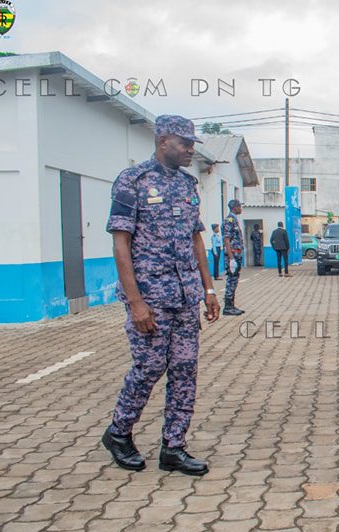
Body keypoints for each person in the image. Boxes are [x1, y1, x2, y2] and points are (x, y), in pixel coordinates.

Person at [102, 114, 218, 477]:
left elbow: (195, 238)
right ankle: (119, 433)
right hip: (150, 298)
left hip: (185, 298)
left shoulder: (187, 184)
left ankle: (174, 447)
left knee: (185, 371)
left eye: (191, 144)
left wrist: (208, 288)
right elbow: (121, 242)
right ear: (164, 140)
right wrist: (135, 301)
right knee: (149, 368)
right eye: (184, 144)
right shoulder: (132, 181)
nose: (189, 150)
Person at [222, 200, 245, 316]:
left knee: (234, 280)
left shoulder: (234, 219)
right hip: (233, 255)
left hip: (236, 254)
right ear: (235, 207)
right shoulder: (229, 220)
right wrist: (231, 259)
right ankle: (228, 306)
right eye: (240, 206)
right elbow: (226, 239)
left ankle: (231, 305)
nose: (241, 208)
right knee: (231, 280)